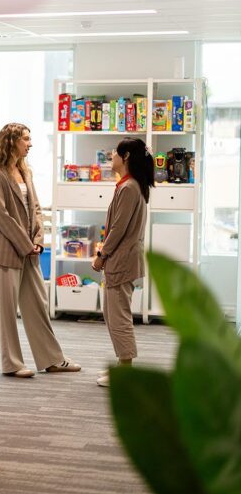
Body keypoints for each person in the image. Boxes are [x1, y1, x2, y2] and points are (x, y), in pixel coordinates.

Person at [0, 123, 81, 378]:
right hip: (7, 251)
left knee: (38, 303)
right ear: (11, 141)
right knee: (6, 311)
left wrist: (38, 239)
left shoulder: (26, 172)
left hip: (30, 250)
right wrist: (26, 245)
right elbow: (1, 217)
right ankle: (12, 363)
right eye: (26, 139)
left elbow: (36, 209)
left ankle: (52, 359)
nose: (30, 143)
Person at [92, 137, 153, 388]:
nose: (111, 157)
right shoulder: (128, 185)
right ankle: (122, 365)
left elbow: (117, 228)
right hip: (122, 258)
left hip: (121, 259)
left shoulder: (129, 188)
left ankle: (126, 370)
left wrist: (101, 255)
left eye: (114, 153)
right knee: (113, 313)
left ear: (125, 156)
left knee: (119, 316)